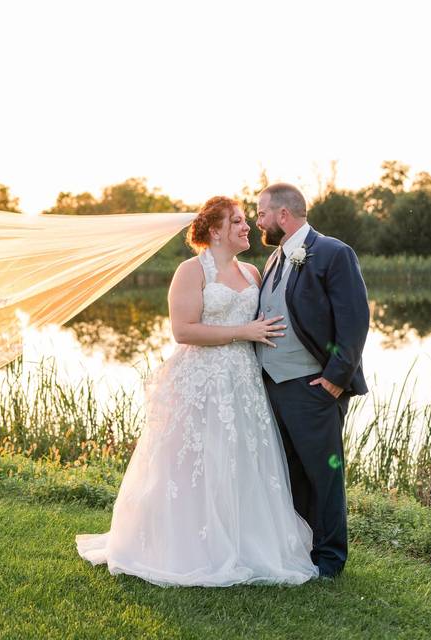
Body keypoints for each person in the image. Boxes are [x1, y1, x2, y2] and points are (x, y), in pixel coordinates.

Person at [75, 196, 320, 586]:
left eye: (245, 220)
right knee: (194, 462)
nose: (246, 227)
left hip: (242, 383)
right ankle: (187, 546)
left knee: (241, 459)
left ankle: (244, 544)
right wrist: (242, 332)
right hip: (201, 381)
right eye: (237, 221)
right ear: (215, 230)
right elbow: (183, 330)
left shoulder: (253, 274)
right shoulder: (192, 271)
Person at [254, 183, 369, 578]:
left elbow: (354, 321)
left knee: (324, 474)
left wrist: (337, 379)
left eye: (261, 213)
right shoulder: (274, 258)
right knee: (291, 474)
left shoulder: (334, 253)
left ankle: (330, 560)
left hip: (313, 386)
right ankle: (301, 551)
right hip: (273, 387)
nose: (258, 222)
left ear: (283, 215)